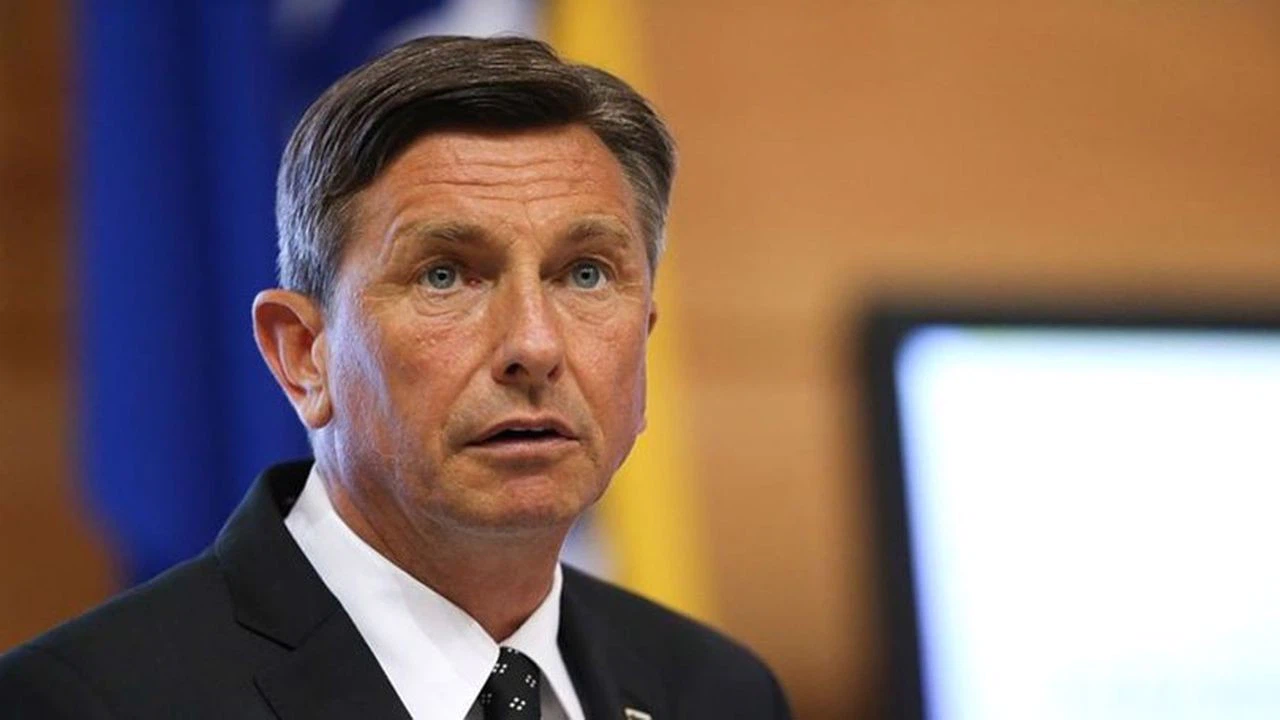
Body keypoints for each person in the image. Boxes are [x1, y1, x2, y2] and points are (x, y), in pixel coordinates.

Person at [0, 36, 791, 719]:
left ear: (642, 340)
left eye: (585, 274)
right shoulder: (86, 703)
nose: (534, 343)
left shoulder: (717, 693)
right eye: (445, 275)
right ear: (303, 354)